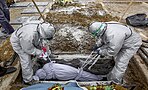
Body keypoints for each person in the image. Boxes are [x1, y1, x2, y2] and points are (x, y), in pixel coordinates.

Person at [10, 18, 55, 85]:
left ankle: (47, 55)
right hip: (19, 42)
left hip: (31, 38)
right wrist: (40, 53)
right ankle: (28, 80)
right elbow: (28, 49)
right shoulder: (28, 35)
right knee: (26, 60)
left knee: (42, 45)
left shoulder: (42, 26)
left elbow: (42, 41)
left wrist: (45, 51)